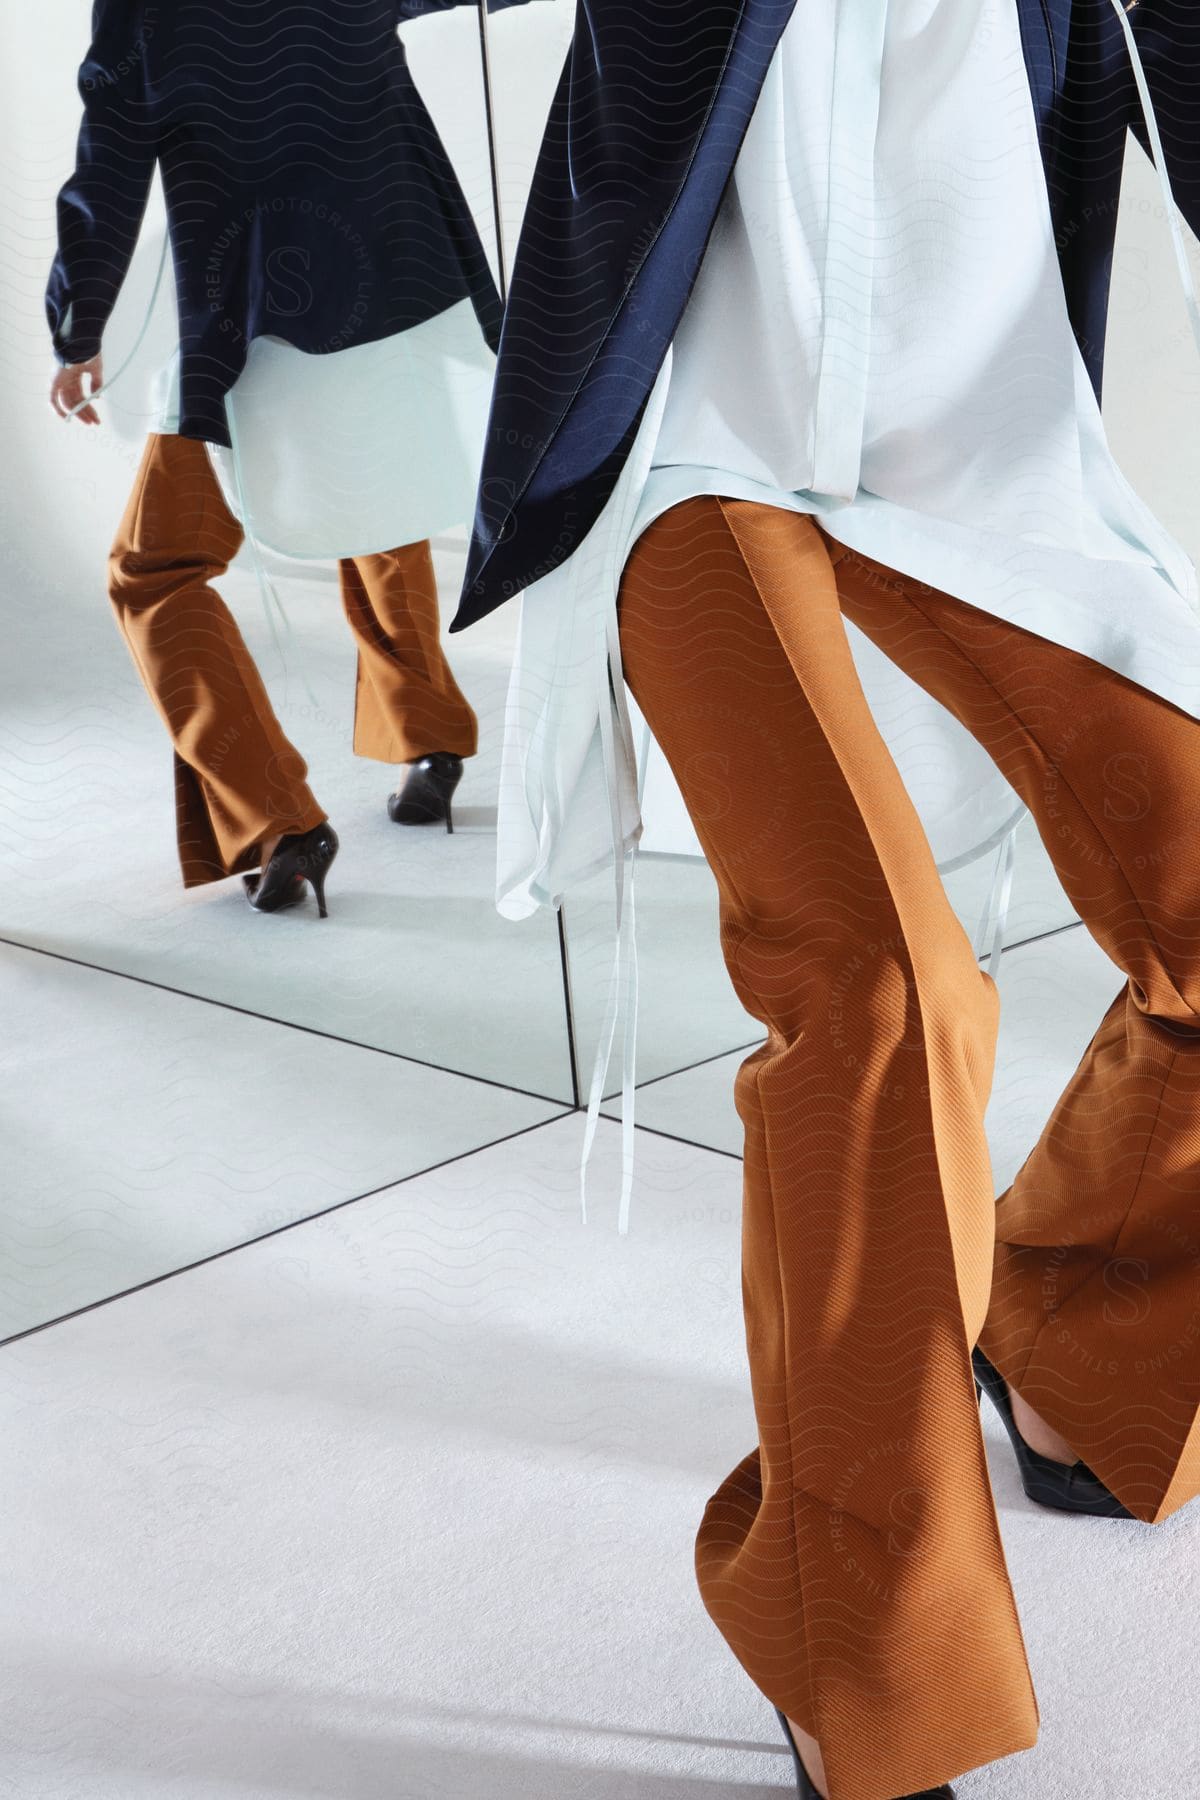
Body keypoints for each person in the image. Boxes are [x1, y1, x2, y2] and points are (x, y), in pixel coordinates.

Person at [447, 2, 1200, 1797]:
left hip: (980, 455)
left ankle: (1079, 1352)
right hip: (688, 456)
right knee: (878, 989)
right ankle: (853, 1628)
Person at [47, 0, 531, 915]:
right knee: (368, 486)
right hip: (405, 283)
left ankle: (281, 822)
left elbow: (110, 154)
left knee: (151, 572)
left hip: (256, 308)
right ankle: (430, 738)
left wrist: (77, 322)